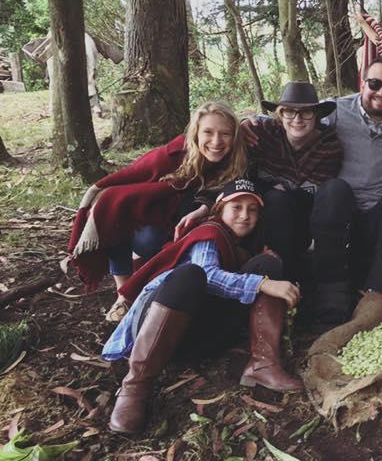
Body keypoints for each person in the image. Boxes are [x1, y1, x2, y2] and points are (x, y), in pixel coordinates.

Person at [103, 179, 302, 434]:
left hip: (197, 338)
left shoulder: (245, 244)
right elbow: (208, 275)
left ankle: (263, 364)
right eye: (237, 207)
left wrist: (268, 277)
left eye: (252, 210)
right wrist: (263, 284)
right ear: (219, 209)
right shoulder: (208, 233)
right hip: (155, 330)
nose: (245, 215)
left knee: (268, 264)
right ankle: (135, 386)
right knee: (191, 275)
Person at [67, 101, 247, 323]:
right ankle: (123, 293)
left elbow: (221, 192)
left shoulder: (237, 160)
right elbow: (128, 180)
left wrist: (202, 208)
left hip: (184, 217)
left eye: (225, 134)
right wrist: (97, 196)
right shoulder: (171, 156)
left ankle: (152, 277)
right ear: (195, 134)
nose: (216, 141)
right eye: (208, 132)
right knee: (113, 210)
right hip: (151, 212)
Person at [313, 56, 382, 314]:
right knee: (333, 190)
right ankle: (331, 291)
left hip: (380, 214)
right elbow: (296, 116)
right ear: (363, 83)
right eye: (375, 83)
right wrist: (253, 122)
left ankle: (378, 292)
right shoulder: (336, 111)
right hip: (341, 209)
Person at [242, 82, 343, 309]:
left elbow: (309, 193)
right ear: (280, 114)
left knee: (286, 200)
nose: (297, 119)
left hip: (307, 219)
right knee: (277, 201)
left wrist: (279, 189)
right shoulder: (264, 133)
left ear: (316, 115)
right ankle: (280, 290)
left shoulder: (329, 146)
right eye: (289, 111)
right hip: (270, 217)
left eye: (305, 112)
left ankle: (318, 290)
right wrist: (241, 124)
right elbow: (235, 128)